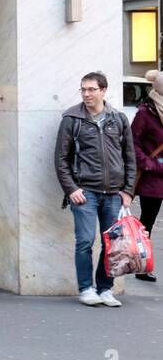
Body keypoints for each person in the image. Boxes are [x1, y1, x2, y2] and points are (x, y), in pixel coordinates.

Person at [54, 71, 135, 307]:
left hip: (114, 193)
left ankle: (105, 288)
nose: (86, 94)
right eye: (83, 89)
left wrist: (128, 190)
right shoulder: (71, 119)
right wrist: (71, 189)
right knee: (85, 241)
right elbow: (61, 159)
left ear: (103, 91)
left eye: (91, 89)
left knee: (111, 243)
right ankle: (86, 288)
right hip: (85, 192)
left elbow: (130, 157)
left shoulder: (118, 119)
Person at [131, 71, 163, 282]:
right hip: (153, 178)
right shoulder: (146, 112)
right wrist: (150, 164)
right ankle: (142, 265)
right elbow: (132, 143)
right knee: (147, 223)